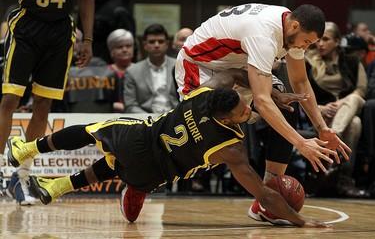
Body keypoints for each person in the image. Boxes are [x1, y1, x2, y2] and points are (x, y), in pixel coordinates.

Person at [7, 75, 333, 228]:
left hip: (139, 141)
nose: (248, 112)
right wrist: (300, 221)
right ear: (224, 118)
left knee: (92, 132)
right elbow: (264, 195)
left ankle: (27, 149)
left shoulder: (205, 94)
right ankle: (55, 185)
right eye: (243, 112)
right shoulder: (231, 150)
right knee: (119, 166)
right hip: (152, 175)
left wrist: (266, 96)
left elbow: (231, 79)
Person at [174, 3, 351, 216]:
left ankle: (268, 199)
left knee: (287, 104)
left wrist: (321, 128)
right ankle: (145, 181)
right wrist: (301, 143)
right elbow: (262, 101)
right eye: (306, 42)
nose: (305, 48)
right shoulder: (264, 35)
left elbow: (301, 82)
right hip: (200, 66)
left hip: (236, 67)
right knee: (203, 137)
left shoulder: (290, 28)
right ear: (295, 26)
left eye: (310, 44)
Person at [0, 0, 94, 204]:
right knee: (10, 99)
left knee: (43, 104)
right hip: (26, 25)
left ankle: (21, 176)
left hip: (60, 31)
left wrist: (87, 39)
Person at [303, 22, 367, 197]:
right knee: (355, 124)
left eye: (326, 39)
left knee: (355, 98)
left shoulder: (352, 61)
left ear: (337, 41)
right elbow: (300, 91)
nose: (320, 44)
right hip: (321, 116)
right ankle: (344, 179)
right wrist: (319, 108)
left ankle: (334, 136)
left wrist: (341, 104)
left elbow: (361, 90)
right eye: (318, 40)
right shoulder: (308, 60)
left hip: (348, 107)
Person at [124, 23, 179, 113]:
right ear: (145, 45)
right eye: (152, 42)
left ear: (167, 44)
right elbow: (130, 105)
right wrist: (150, 121)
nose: (156, 45)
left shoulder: (178, 66)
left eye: (160, 41)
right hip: (145, 121)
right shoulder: (132, 72)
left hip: (175, 119)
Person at [106, 29, 135, 112]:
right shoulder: (104, 72)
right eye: (119, 47)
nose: (125, 50)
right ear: (111, 50)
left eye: (128, 46)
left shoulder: (141, 70)